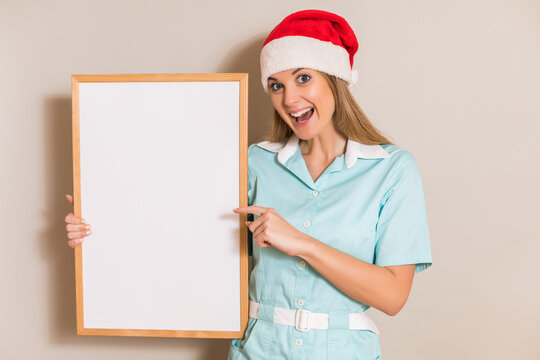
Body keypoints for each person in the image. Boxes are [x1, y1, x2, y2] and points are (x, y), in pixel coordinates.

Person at [64, 9, 432, 360]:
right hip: (258, 349)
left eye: (303, 78)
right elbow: (183, 233)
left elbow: (393, 295)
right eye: (276, 85)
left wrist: (300, 242)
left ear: (335, 78)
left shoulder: (392, 170)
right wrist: (102, 227)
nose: (289, 99)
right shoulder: (256, 163)